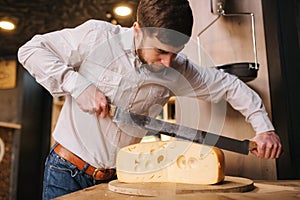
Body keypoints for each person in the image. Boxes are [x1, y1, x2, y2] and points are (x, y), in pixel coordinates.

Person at [18, 0, 282, 199]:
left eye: (175, 53)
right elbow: (30, 50)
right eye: (160, 51)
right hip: (66, 173)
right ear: (137, 30)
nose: (168, 62)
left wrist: (264, 128)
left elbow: (229, 85)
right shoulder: (97, 37)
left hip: (121, 180)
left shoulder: (177, 68)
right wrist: (77, 85)